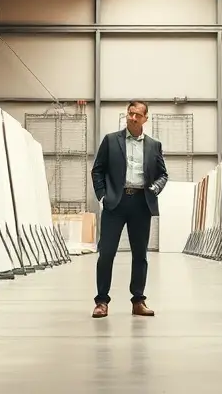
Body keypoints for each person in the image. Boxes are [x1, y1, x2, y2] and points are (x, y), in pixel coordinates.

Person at [90, 100, 169, 318]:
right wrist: (103, 195)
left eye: (137, 115)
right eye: (130, 113)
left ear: (145, 118)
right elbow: (97, 170)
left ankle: (138, 301)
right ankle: (101, 301)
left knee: (140, 255)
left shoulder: (154, 145)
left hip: (141, 203)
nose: (133, 118)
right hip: (115, 203)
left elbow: (164, 174)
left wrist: (155, 188)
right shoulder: (110, 140)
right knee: (106, 253)